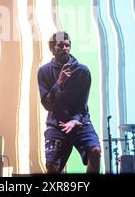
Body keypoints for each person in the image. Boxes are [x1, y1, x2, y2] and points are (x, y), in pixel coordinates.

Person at [37, 31, 101, 174]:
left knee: (95, 151)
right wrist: (58, 83)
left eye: (67, 45)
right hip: (56, 124)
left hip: (79, 122)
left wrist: (75, 120)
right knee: (52, 167)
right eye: (60, 45)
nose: (65, 48)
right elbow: (47, 104)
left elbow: (82, 105)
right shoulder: (44, 71)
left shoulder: (82, 71)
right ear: (52, 49)